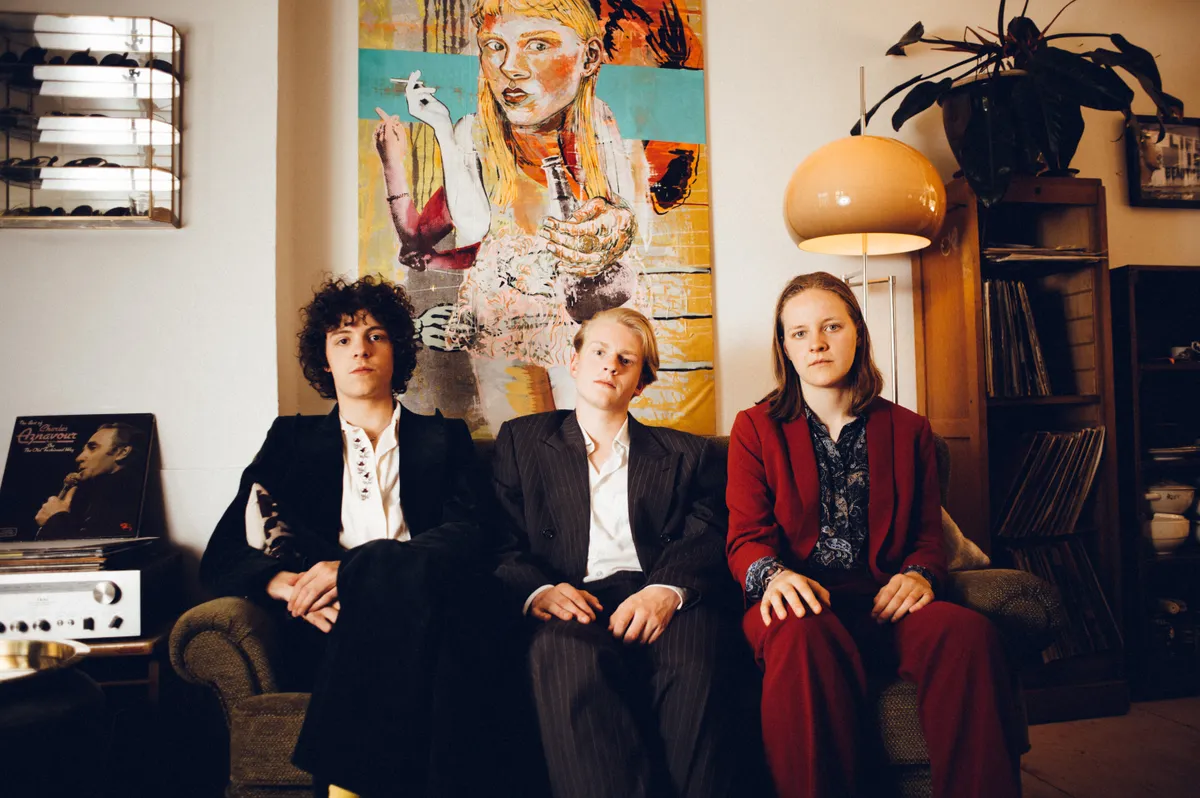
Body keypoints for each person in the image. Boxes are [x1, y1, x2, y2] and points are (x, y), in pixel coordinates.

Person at [200, 276, 513, 798]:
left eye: (375, 336)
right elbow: (223, 553)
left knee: (445, 617)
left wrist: (355, 570)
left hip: (427, 605)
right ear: (325, 360)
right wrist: (286, 585)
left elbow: (470, 534)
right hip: (331, 621)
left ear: (397, 351)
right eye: (342, 339)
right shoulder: (290, 440)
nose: (360, 350)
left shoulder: (444, 437)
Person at [725, 272, 1021, 798]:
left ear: (857, 333)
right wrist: (774, 578)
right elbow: (746, 537)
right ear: (785, 348)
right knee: (801, 634)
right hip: (801, 607)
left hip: (886, 603)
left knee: (967, 635)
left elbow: (927, 535)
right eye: (799, 333)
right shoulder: (755, 428)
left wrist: (920, 574)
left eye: (831, 326)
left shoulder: (910, 429)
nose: (816, 343)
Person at [373, 0, 652, 433]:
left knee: (586, 444)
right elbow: (472, 226)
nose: (509, 68)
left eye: (537, 45)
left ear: (589, 57)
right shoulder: (474, 132)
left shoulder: (600, 125)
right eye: (494, 46)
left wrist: (617, 225)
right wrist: (441, 128)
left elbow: (627, 217)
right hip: (503, 332)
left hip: (585, 328)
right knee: (522, 450)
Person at [492, 307, 736, 798]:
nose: (610, 365)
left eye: (626, 359)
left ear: (640, 383)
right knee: (562, 654)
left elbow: (709, 533)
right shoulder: (522, 440)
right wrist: (539, 590)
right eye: (600, 352)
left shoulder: (689, 453)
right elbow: (499, 538)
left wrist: (666, 590)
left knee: (695, 659)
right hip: (572, 597)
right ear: (574, 362)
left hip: (658, 593)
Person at [36, 422, 146, 540]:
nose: (79, 458)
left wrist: (55, 519)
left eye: (92, 448)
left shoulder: (130, 496)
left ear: (122, 452)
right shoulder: (97, 494)